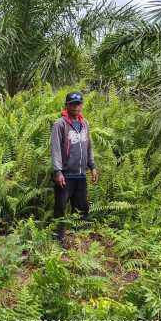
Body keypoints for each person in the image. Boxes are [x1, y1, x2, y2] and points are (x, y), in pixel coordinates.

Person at [51, 92, 98, 244]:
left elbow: (89, 146)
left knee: (82, 208)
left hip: (80, 175)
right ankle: (59, 240)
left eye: (78, 103)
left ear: (81, 105)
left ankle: (80, 240)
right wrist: (58, 171)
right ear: (67, 105)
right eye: (73, 103)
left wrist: (92, 166)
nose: (76, 106)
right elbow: (56, 149)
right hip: (65, 175)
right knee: (60, 208)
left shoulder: (85, 123)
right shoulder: (60, 124)